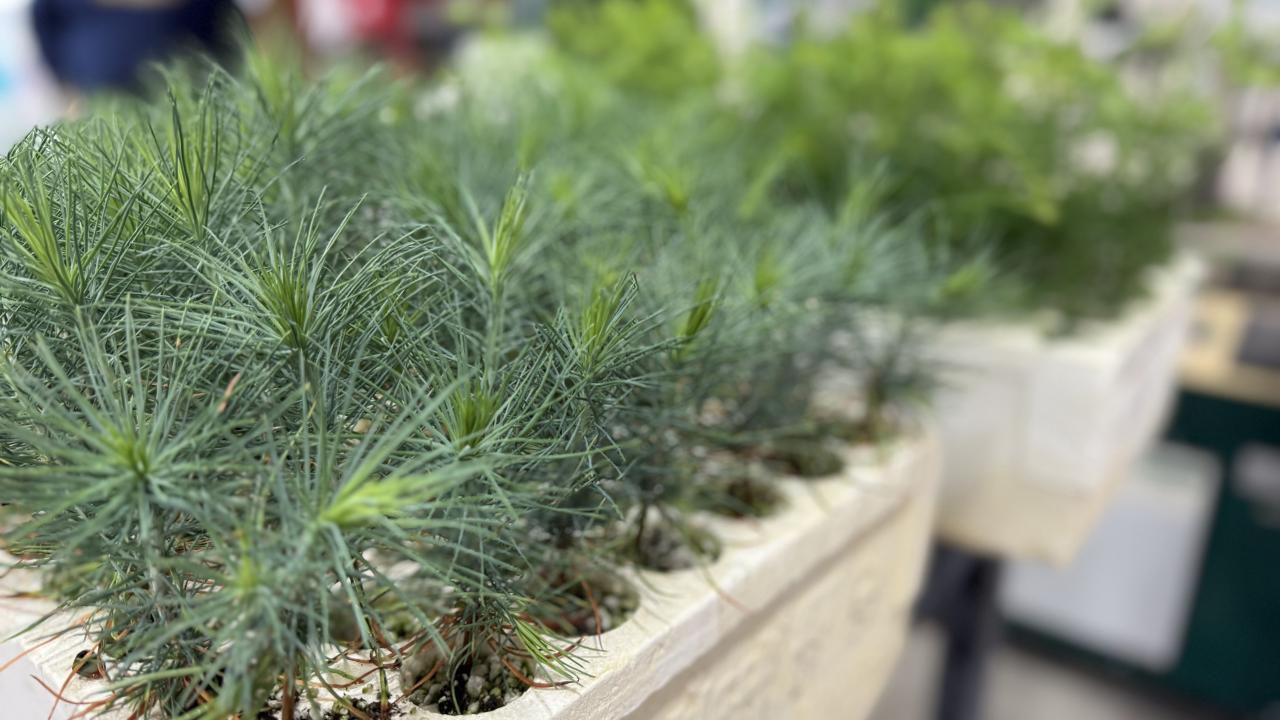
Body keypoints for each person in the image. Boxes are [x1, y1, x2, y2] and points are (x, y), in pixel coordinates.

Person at [32, 0, 244, 94]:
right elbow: (44, 24)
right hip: (98, 106)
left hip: (198, 92)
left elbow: (229, 23)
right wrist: (65, 89)